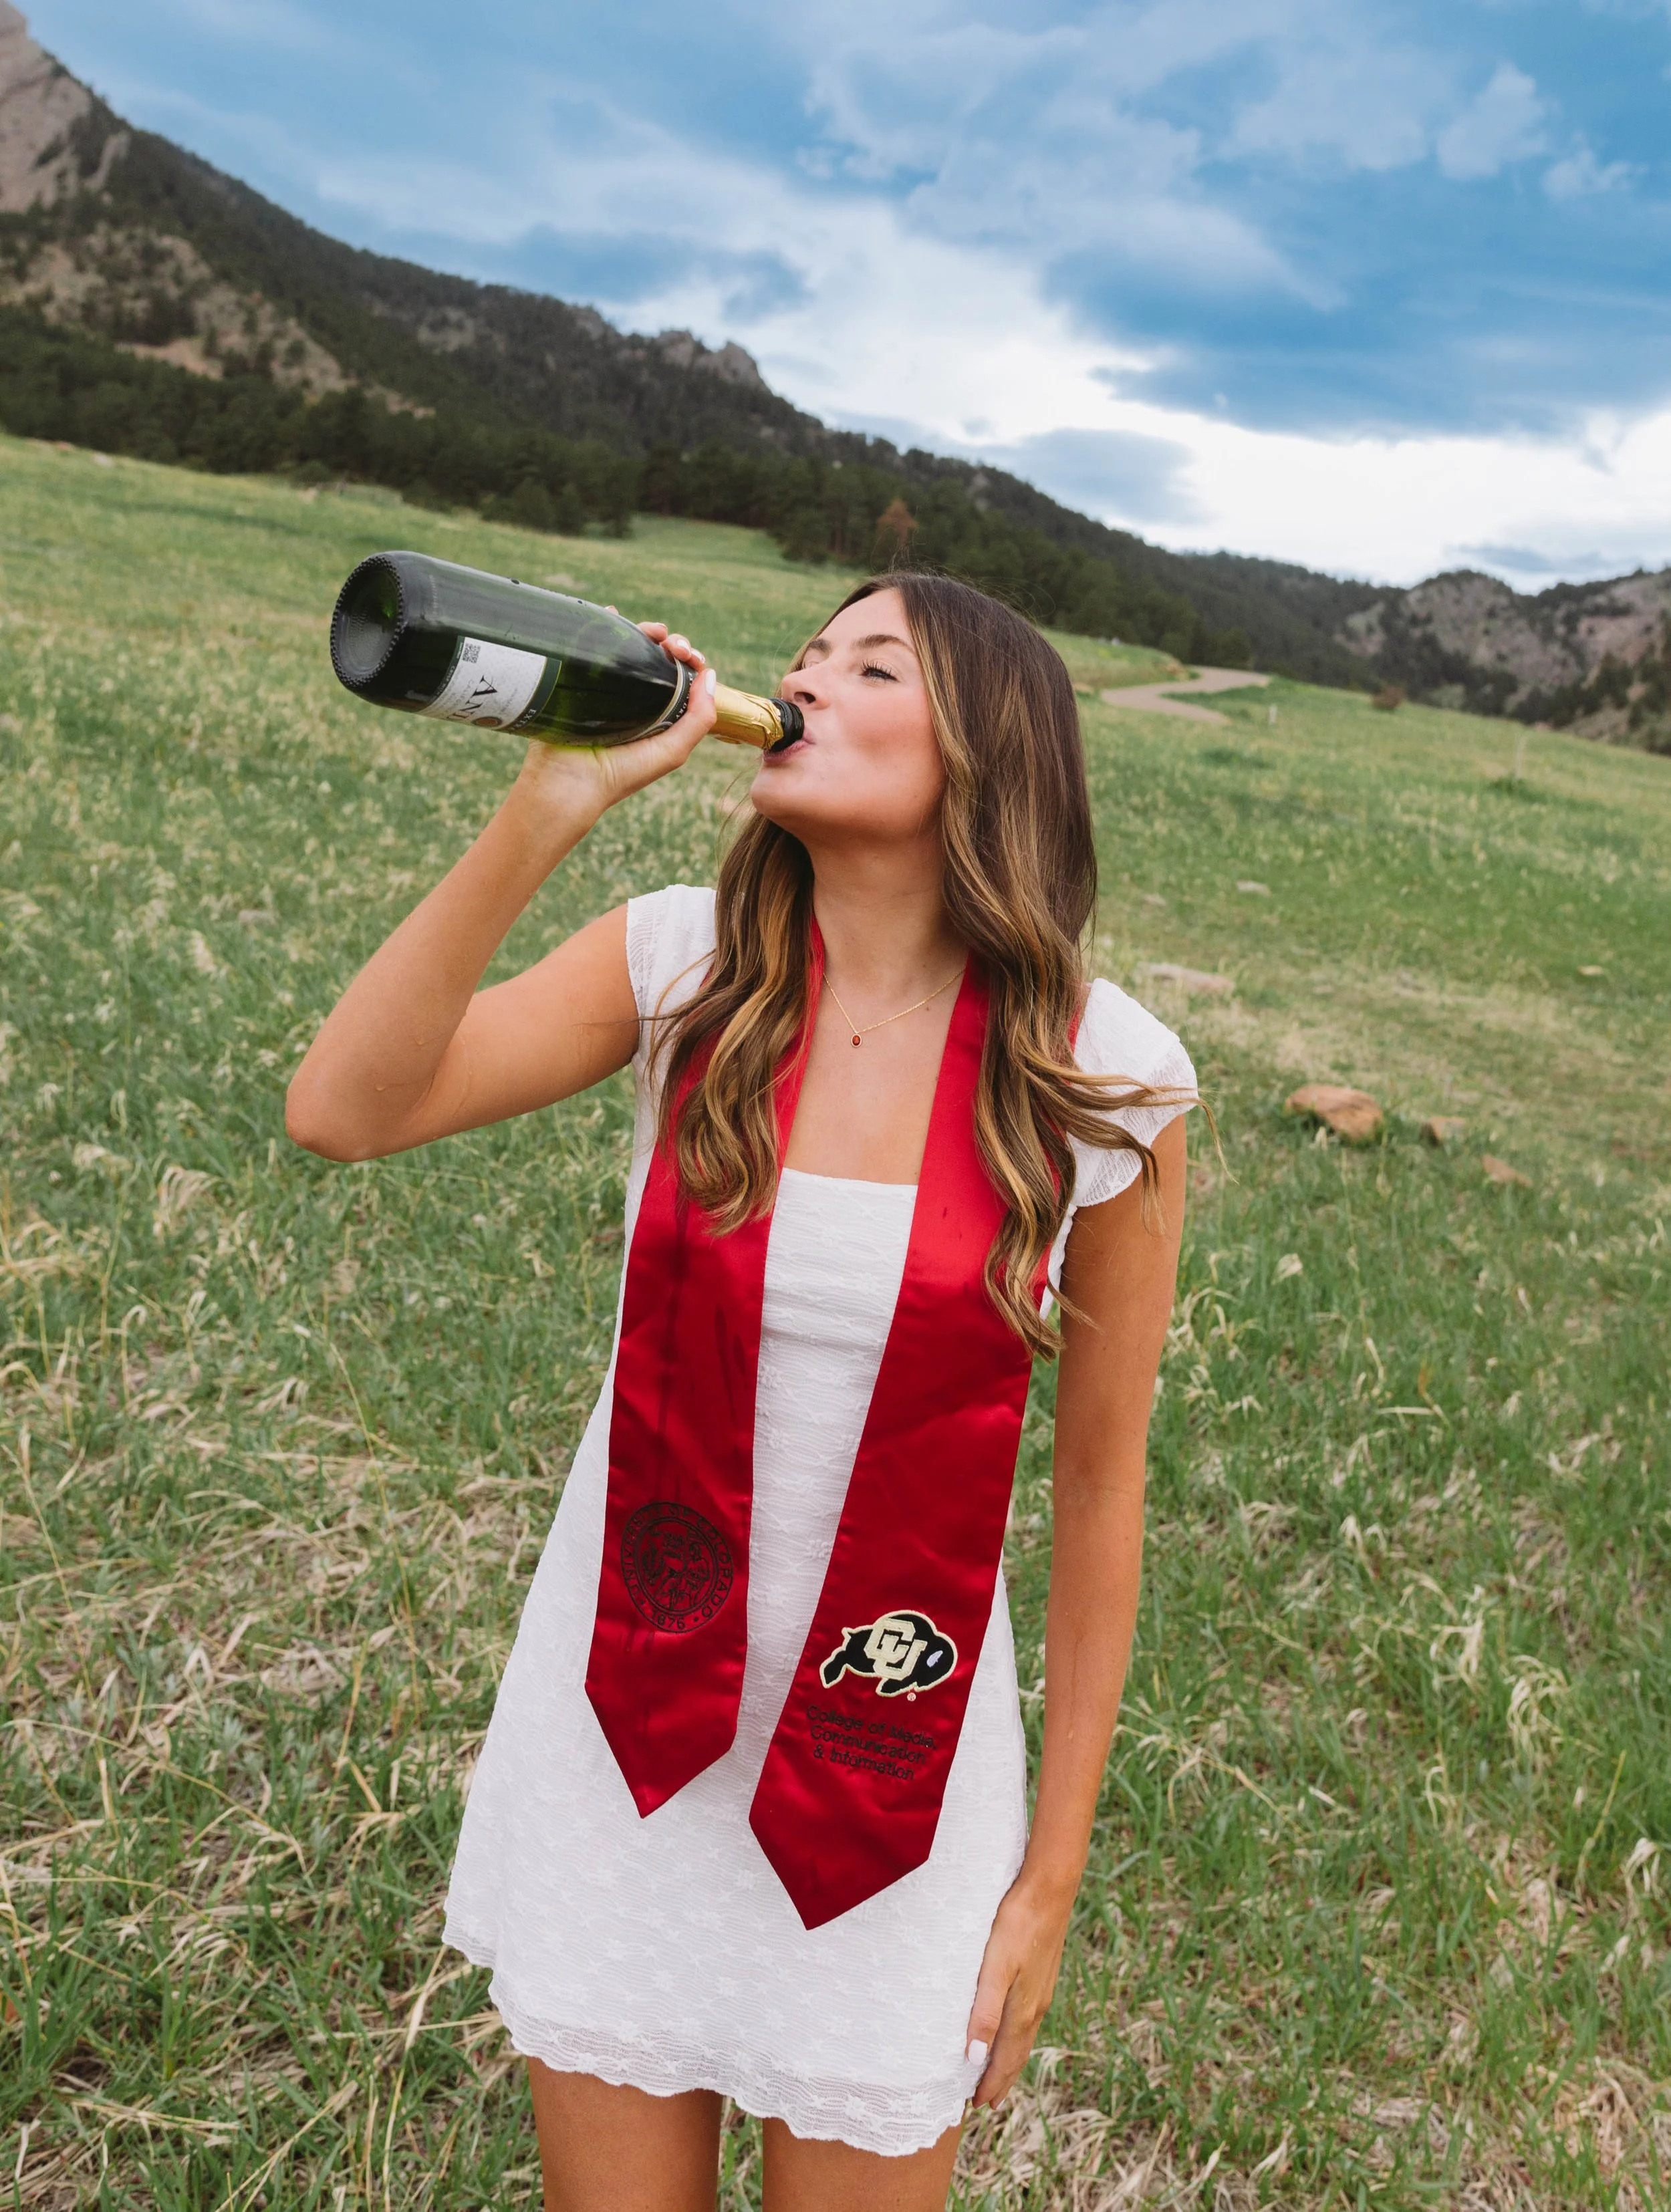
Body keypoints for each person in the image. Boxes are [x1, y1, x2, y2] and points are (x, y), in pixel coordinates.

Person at [287, 572, 1194, 2212]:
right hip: (626, 1727)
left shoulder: (1104, 1077)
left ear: (988, 754)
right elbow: (345, 1109)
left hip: (889, 1790)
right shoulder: (680, 964)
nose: (804, 681)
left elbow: (1099, 1488)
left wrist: (1048, 1876)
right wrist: (549, 802)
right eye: (802, 657)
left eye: (870, 664)